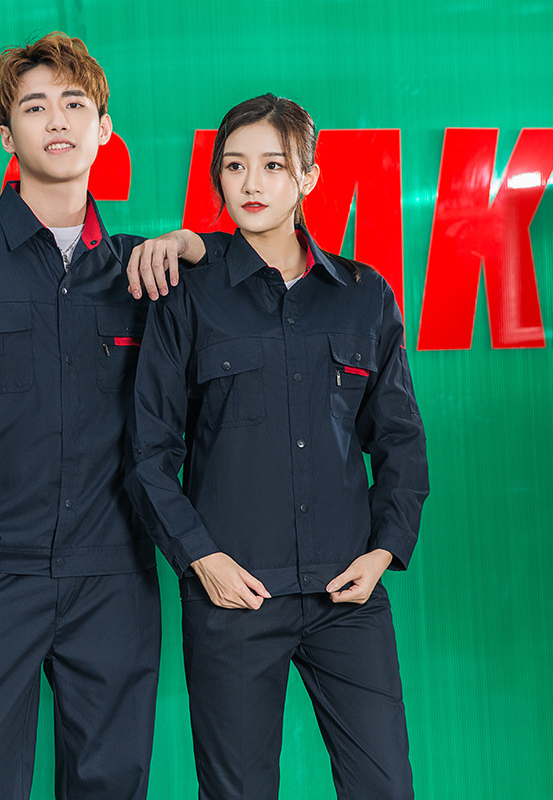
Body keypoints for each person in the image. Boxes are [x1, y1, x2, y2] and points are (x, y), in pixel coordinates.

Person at [0, 32, 204, 800]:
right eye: (34, 107)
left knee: (109, 786)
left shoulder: (146, 269)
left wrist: (197, 245)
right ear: (7, 134)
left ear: (104, 128)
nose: (56, 120)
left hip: (114, 578)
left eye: (74, 103)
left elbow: (252, 294)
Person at [125, 93, 429, 800]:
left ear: (308, 177)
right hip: (233, 597)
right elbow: (148, 452)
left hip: (346, 594)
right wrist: (201, 558)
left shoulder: (365, 295)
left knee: (386, 785)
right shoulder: (186, 294)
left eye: (272, 165)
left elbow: (400, 439)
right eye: (234, 166)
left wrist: (384, 551)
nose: (251, 184)